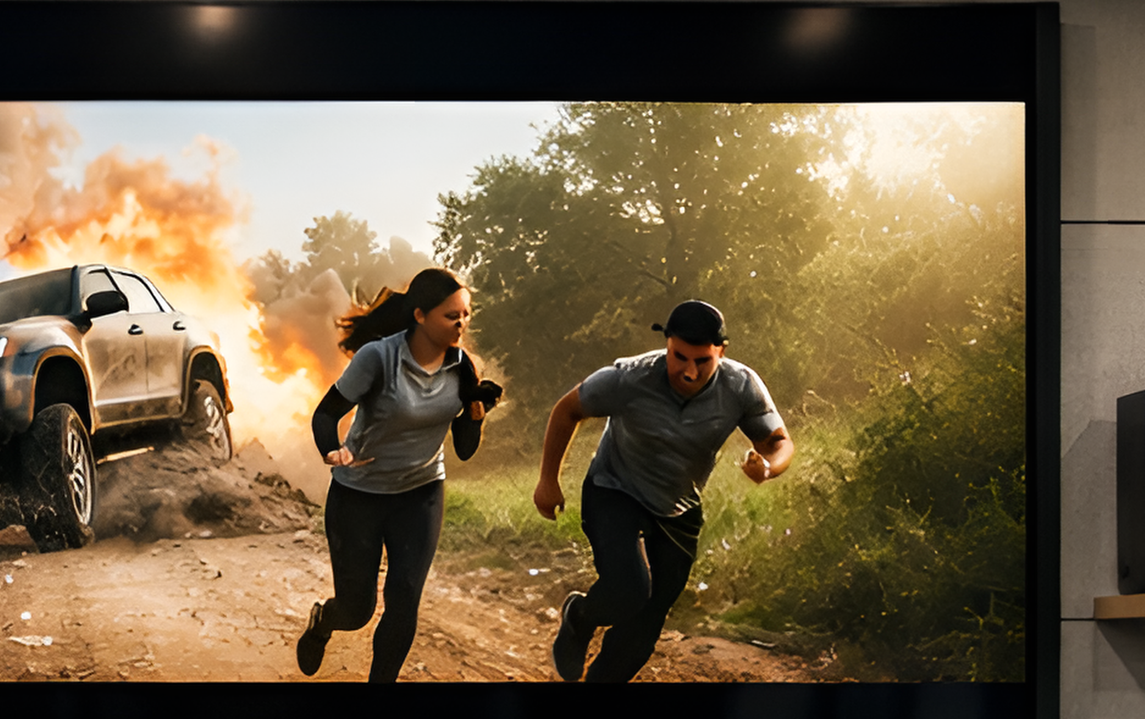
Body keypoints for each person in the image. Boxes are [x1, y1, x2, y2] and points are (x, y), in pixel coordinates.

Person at [533, 298, 792, 683]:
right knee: (630, 588)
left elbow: (779, 441)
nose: (689, 372)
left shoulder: (740, 386)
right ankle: (580, 617)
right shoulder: (629, 377)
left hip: (679, 507)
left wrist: (768, 466)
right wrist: (548, 480)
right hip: (614, 490)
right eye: (679, 357)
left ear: (721, 351)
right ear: (666, 343)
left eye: (702, 361)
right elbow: (567, 410)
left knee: (645, 625)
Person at [294, 268, 500, 686]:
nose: (461, 325)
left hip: (420, 493)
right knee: (357, 611)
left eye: (466, 315)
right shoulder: (379, 357)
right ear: (420, 315)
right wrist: (331, 450)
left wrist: (477, 413)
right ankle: (324, 621)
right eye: (451, 316)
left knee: (404, 598)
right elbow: (326, 413)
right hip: (359, 495)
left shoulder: (463, 368)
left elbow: (463, 449)